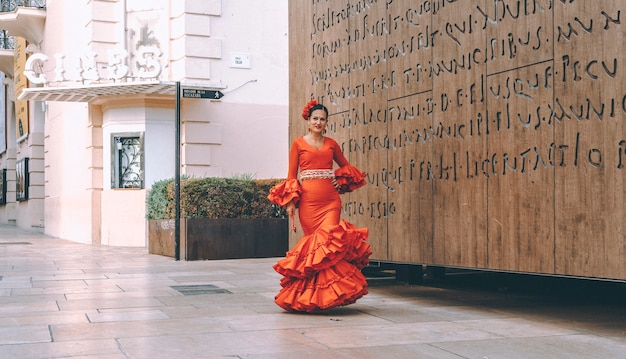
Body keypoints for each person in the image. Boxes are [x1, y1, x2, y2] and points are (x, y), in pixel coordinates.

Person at [267, 99, 372, 312]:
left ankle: (331, 295)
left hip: (331, 201)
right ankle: (314, 297)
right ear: (308, 121)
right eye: (315, 118)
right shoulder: (298, 143)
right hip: (308, 203)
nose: (318, 122)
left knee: (328, 244)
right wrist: (290, 204)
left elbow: (346, 167)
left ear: (326, 123)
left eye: (322, 119)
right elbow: (291, 175)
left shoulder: (332, 144)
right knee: (315, 251)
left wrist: (338, 181)